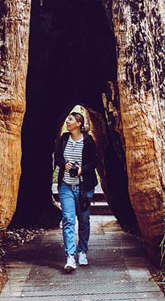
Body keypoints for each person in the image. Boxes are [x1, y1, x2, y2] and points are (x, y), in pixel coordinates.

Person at [53, 110, 98, 273]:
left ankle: (82, 251)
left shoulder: (88, 141)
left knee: (84, 220)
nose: (67, 122)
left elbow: (95, 160)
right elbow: (57, 157)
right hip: (66, 185)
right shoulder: (64, 139)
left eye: (70, 120)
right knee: (68, 220)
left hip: (84, 187)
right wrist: (63, 164)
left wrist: (81, 170)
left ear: (78, 123)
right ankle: (70, 257)